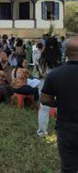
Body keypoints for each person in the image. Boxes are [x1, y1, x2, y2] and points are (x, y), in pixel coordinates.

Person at [41, 36, 78, 172]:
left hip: (66, 128)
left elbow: (45, 99)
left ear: (66, 53)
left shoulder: (55, 74)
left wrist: (59, 102)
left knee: (68, 167)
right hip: (67, 127)